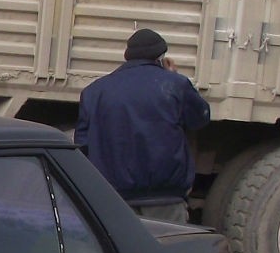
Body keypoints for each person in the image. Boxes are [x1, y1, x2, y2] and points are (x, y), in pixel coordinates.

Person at [75, 28, 212, 218]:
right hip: (165, 197)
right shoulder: (175, 85)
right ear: (160, 56)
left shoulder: (94, 92)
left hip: (112, 197)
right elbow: (200, 118)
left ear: (128, 56)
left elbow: (82, 145)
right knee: (165, 245)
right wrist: (173, 76)